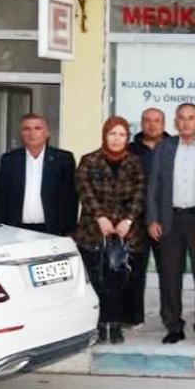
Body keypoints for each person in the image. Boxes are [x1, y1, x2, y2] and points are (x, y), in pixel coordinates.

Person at [147, 103, 195, 346]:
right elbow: (154, 186)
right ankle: (173, 326)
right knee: (169, 275)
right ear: (175, 123)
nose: (186, 122)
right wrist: (153, 218)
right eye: (182, 118)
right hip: (170, 219)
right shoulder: (164, 147)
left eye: (191, 118)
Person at [75, 116, 146, 345]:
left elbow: (140, 193)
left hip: (125, 232)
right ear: (105, 135)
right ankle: (98, 324)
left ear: (127, 138)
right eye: (112, 134)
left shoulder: (135, 162)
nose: (116, 139)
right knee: (96, 279)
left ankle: (115, 324)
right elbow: (84, 191)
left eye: (122, 135)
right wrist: (100, 217)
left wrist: (128, 220)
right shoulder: (89, 160)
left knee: (118, 279)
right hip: (93, 231)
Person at [0, 113, 78, 237]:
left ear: (47, 133)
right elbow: (3, 197)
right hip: (16, 229)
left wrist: (69, 230)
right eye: (26, 129)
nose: (32, 133)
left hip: (53, 229)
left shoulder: (63, 159)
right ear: (21, 134)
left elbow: (71, 197)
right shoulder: (9, 160)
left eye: (37, 128)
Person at [127, 107, 168, 327]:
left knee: (169, 272)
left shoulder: (174, 146)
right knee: (135, 270)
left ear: (164, 123)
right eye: (147, 120)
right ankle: (134, 317)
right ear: (141, 123)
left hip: (167, 219)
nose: (152, 124)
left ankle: (170, 317)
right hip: (136, 219)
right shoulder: (130, 149)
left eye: (157, 120)